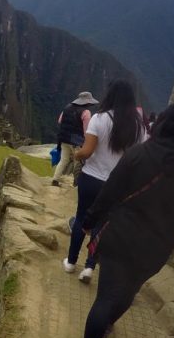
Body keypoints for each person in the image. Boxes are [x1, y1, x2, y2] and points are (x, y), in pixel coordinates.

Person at [72, 103, 174, 338]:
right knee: (127, 293)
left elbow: (109, 193)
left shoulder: (139, 154)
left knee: (105, 295)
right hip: (155, 249)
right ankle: (108, 323)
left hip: (119, 236)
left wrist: (87, 222)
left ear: (163, 125)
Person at [62, 80, 146, 285]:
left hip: (91, 179)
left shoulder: (99, 119)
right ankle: (90, 266)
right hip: (117, 185)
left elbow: (87, 151)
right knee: (102, 225)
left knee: (82, 218)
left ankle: (72, 262)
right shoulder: (139, 127)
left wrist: (77, 154)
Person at [52, 91, 97, 187]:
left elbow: (60, 121)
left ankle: (55, 180)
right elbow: (86, 130)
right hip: (76, 141)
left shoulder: (67, 108)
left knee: (64, 160)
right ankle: (76, 183)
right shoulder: (86, 112)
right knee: (78, 162)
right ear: (87, 102)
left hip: (63, 138)